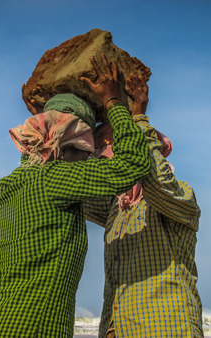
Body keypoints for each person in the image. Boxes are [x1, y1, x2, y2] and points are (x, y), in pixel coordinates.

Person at [0, 54, 151, 337]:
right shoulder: (56, 180)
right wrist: (114, 103)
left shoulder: (5, 188)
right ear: (64, 145)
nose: (87, 160)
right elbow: (134, 163)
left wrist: (42, 114)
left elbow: (41, 151)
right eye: (83, 151)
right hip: (30, 329)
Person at [84, 72, 203, 337]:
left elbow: (152, 173)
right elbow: (72, 186)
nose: (101, 158)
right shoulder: (116, 207)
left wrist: (135, 116)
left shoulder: (180, 196)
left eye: (107, 147)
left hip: (166, 329)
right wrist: (52, 126)